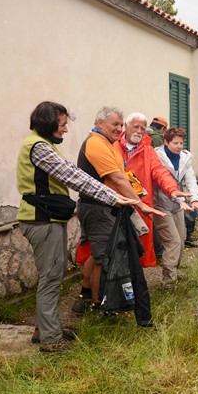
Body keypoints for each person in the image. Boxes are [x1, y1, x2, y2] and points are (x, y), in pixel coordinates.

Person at [17, 101, 138, 352]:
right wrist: (113, 197)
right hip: (42, 220)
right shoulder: (39, 147)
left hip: (48, 220)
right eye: (62, 125)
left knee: (53, 275)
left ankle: (46, 329)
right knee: (51, 277)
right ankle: (51, 340)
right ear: (48, 124)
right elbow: (74, 177)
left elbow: (71, 172)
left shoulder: (44, 145)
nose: (66, 130)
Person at [73, 105, 163, 326]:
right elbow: (117, 179)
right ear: (100, 123)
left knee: (97, 254)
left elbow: (124, 175)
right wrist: (140, 205)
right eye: (115, 124)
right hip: (97, 208)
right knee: (103, 258)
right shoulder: (95, 143)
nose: (119, 129)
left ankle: (84, 298)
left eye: (120, 125)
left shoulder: (108, 143)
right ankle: (98, 306)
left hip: (104, 206)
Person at [114, 112, 188, 268]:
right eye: (136, 127)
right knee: (118, 247)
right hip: (117, 205)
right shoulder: (113, 147)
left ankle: (136, 285)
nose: (139, 131)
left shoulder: (148, 151)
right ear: (126, 127)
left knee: (139, 249)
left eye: (142, 128)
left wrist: (172, 189)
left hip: (142, 206)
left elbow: (160, 171)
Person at [154, 127, 198, 287]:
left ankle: (173, 271)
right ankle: (168, 282)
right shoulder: (157, 157)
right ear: (166, 142)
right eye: (175, 143)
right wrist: (180, 201)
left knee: (182, 240)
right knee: (173, 242)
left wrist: (195, 200)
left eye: (181, 143)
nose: (179, 146)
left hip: (178, 205)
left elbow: (190, 179)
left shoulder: (185, 157)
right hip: (161, 205)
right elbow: (162, 183)